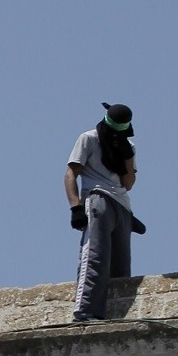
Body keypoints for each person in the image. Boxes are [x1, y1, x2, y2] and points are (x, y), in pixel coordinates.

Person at [65, 103, 142, 322]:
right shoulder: (88, 138)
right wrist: (76, 208)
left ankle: (114, 316)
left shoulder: (129, 146)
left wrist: (127, 156)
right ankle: (85, 312)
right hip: (97, 198)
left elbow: (128, 184)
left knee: (120, 265)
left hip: (122, 205)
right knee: (95, 256)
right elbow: (70, 174)